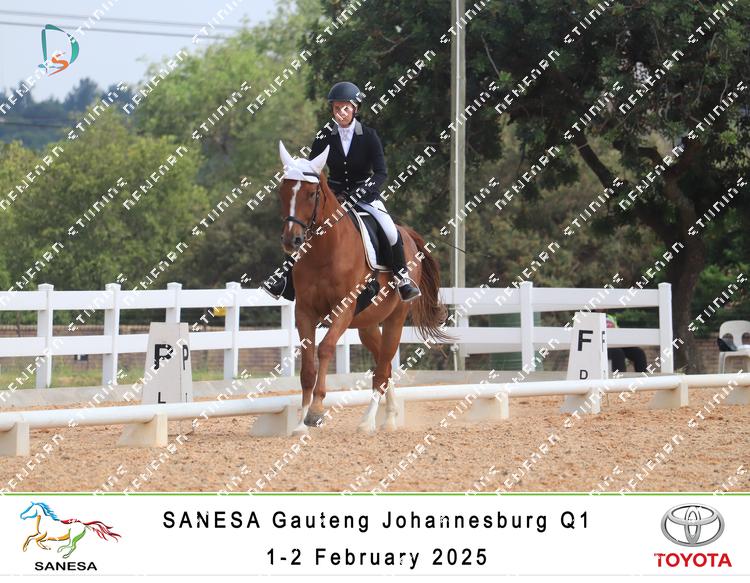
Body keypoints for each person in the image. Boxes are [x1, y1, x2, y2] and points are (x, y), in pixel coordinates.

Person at [261, 81, 421, 303]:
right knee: (299, 225)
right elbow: (312, 170)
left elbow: (381, 173)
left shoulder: (369, 136)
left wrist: (360, 192)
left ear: (355, 108)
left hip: (365, 196)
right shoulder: (324, 136)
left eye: (345, 108)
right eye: (337, 108)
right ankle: (285, 280)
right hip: (333, 196)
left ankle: (402, 278)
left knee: (390, 230)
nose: (341, 112)